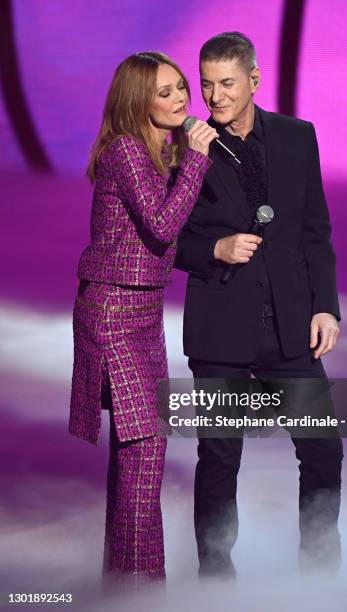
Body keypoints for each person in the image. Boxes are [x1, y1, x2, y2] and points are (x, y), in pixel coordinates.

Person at [174, 32, 344, 576]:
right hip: (221, 324)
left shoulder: (297, 136)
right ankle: (215, 578)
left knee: (323, 451)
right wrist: (213, 250)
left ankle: (319, 571)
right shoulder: (184, 146)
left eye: (226, 83)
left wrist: (326, 307)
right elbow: (156, 237)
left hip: (292, 326)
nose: (215, 96)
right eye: (206, 84)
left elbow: (314, 229)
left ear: (254, 78)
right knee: (220, 457)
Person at [68, 51, 217, 584]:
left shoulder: (159, 151)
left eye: (181, 88)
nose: (180, 99)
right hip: (112, 312)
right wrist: (197, 160)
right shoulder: (128, 151)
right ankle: (141, 589)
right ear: (138, 100)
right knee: (146, 450)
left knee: (135, 457)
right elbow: (160, 225)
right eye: (165, 92)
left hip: (144, 316)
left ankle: (125, 584)